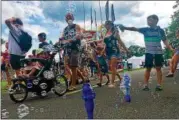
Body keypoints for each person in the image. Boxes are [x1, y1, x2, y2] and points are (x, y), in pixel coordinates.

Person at [120, 14, 174, 91]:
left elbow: (165, 40)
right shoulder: (145, 29)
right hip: (148, 52)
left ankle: (159, 85)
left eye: (150, 20)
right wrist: (124, 27)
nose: (148, 22)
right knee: (148, 68)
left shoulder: (160, 31)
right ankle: (145, 85)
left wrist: (171, 48)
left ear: (156, 21)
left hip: (158, 52)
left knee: (158, 68)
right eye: (147, 20)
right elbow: (134, 28)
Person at [60, 13, 85, 91]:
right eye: (67, 17)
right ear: (65, 19)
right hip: (67, 49)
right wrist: (60, 40)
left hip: (75, 48)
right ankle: (84, 79)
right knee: (70, 66)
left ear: (73, 18)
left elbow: (80, 35)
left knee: (73, 67)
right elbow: (62, 37)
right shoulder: (65, 29)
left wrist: (71, 39)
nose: (68, 18)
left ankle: (73, 84)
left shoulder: (76, 26)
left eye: (70, 17)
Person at [103, 21, 128, 88]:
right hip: (108, 51)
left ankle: (112, 82)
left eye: (107, 24)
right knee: (111, 68)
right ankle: (121, 78)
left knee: (112, 66)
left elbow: (120, 41)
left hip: (114, 50)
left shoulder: (115, 32)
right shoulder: (105, 33)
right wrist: (103, 51)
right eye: (105, 25)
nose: (105, 26)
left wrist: (126, 49)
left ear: (110, 25)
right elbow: (106, 44)